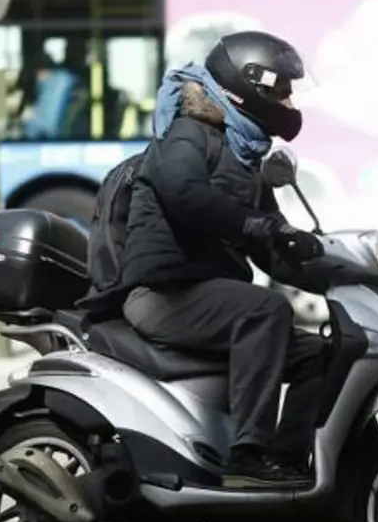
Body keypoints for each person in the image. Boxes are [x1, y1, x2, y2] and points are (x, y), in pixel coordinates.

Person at [120, 31, 329, 489]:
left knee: (322, 354)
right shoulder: (188, 135)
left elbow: (268, 247)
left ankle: (288, 460)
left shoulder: (244, 155)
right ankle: (248, 454)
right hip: (164, 292)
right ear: (249, 86)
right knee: (266, 308)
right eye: (281, 91)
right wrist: (256, 225)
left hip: (209, 297)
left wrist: (329, 272)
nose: (289, 102)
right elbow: (184, 194)